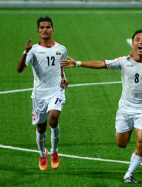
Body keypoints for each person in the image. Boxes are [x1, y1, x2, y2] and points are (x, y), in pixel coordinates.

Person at [60, 29, 142, 184]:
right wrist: (77, 63)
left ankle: (129, 174)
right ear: (132, 44)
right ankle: (132, 128)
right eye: (137, 39)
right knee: (122, 144)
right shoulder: (123, 61)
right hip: (125, 110)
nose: (141, 42)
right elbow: (101, 64)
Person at [17, 16, 68, 170]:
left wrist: (64, 79)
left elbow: (62, 68)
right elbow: (19, 69)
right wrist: (25, 52)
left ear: (52, 30)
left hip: (56, 91)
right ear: (38, 31)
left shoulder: (61, 49)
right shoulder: (33, 50)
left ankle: (54, 152)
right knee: (41, 127)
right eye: (42, 27)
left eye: (48, 27)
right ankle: (42, 154)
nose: (45, 30)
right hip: (39, 94)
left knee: (53, 119)